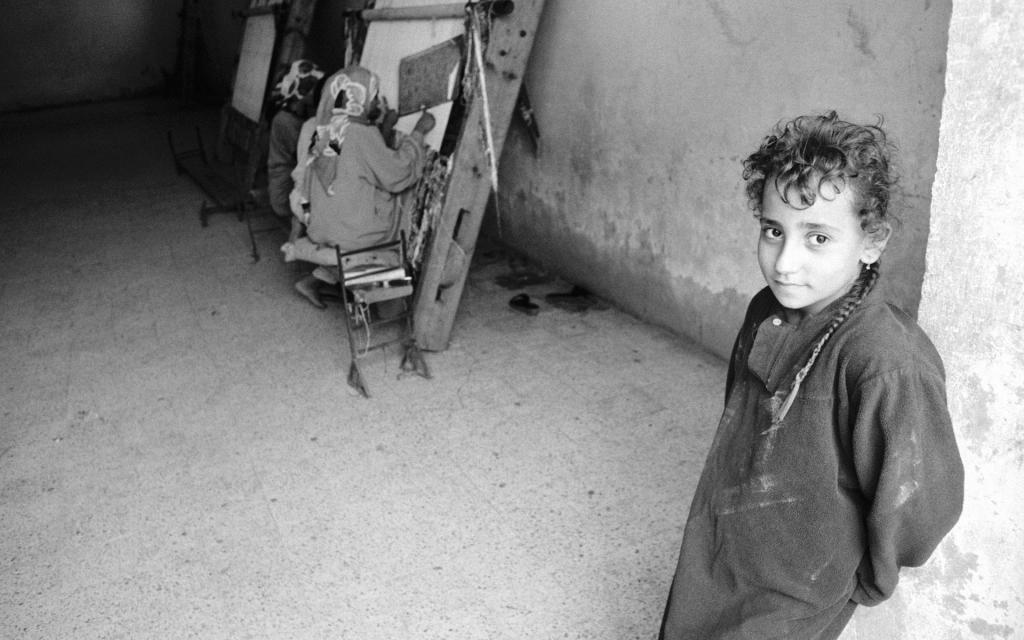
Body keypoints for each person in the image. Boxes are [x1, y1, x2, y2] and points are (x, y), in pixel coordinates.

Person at [658, 111, 964, 639]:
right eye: (773, 231)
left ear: (872, 241)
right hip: (727, 537)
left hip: (804, 580)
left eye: (817, 237)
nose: (784, 263)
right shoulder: (765, 310)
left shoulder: (885, 360)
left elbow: (921, 500)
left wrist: (869, 576)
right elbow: (738, 418)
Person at [280, 64, 435, 308]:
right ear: (358, 98)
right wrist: (418, 132)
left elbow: (354, 164)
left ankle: (328, 280)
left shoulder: (323, 129)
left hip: (321, 227)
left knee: (365, 197)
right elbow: (397, 172)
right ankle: (384, 290)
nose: (376, 102)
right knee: (401, 202)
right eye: (373, 96)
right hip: (352, 234)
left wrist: (382, 127)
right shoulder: (360, 134)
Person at [266, 59, 324, 220]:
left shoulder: (294, 118)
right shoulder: (287, 121)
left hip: (286, 178)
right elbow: (304, 157)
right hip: (283, 189)